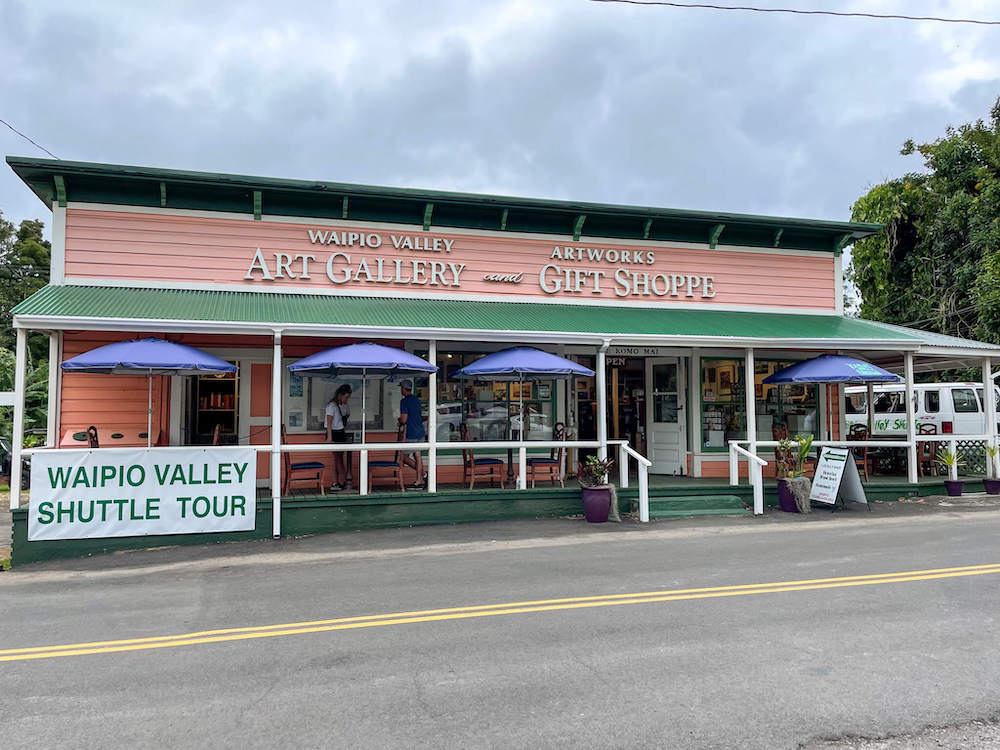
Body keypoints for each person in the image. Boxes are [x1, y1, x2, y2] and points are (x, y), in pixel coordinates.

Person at [398, 379, 426, 488]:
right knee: (417, 455)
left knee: (404, 457)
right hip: (420, 431)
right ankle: (420, 479)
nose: (401, 390)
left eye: (401, 388)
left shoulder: (404, 401)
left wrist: (399, 421)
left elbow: (404, 419)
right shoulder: (416, 400)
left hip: (411, 432)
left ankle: (422, 475)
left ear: (404, 389)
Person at [325, 383, 352, 491]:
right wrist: (329, 438)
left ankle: (339, 480)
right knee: (337, 458)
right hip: (334, 433)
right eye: (346, 397)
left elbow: (347, 414)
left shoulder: (344, 405)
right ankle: (342, 480)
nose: (346, 400)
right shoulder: (332, 406)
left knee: (338, 458)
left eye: (348, 398)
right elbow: (329, 422)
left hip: (340, 432)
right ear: (340, 395)